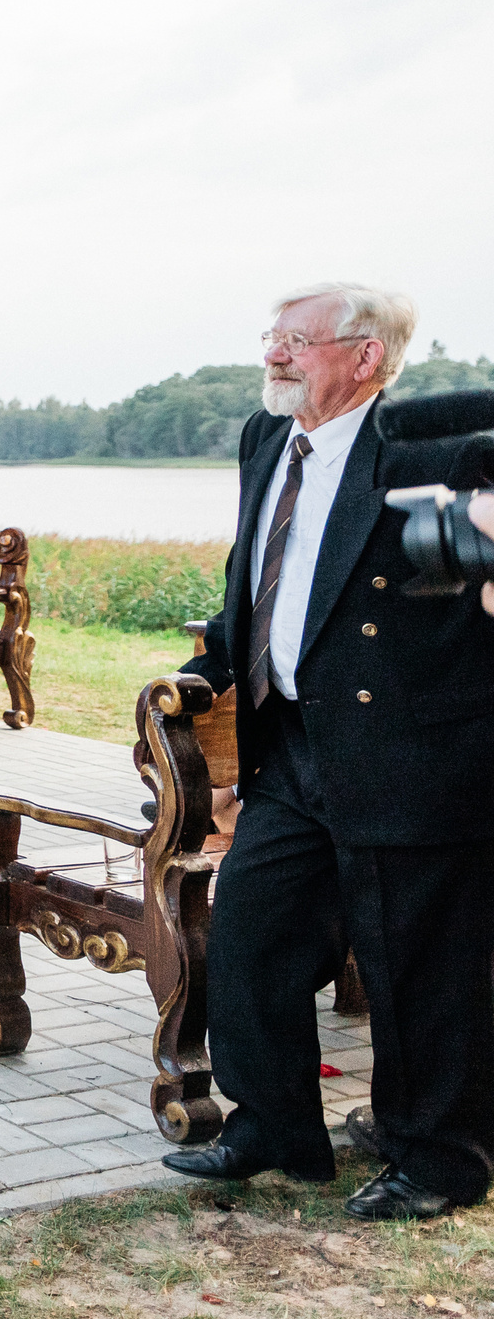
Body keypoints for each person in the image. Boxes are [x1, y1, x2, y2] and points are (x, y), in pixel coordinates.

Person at [162, 283, 494, 1222]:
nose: (275, 354)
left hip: (412, 748)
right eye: (273, 336)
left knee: (418, 966)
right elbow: (258, 571)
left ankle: (440, 1159)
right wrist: (210, 666)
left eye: (297, 341)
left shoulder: (434, 447)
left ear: (364, 358)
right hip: (295, 741)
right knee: (253, 932)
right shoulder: (266, 439)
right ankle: (274, 1126)